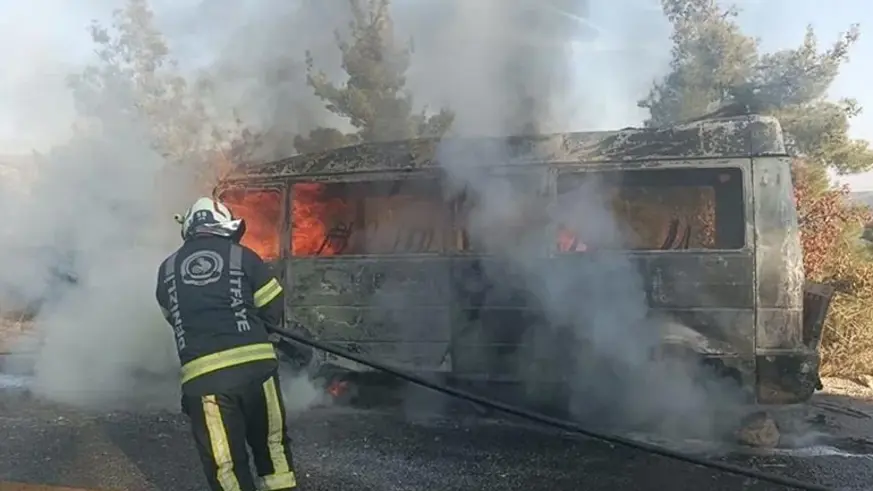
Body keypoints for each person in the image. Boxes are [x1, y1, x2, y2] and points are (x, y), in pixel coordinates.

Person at [155, 196, 298, 491]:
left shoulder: (167, 269)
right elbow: (272, 307)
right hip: (258, 372)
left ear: (189, 227)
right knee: (272, 447)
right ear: (224, 225)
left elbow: (173, 318)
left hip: (206, 380)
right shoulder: (243, 256)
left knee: (226, 465)